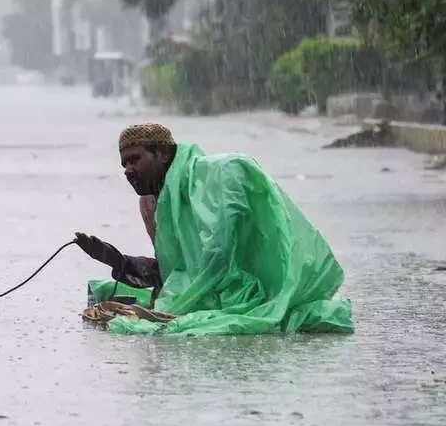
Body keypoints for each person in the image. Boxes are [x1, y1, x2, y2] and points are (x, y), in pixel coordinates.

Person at [75, 123, 354, 335]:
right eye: (124, 164)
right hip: (208, 287)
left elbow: (218, 260)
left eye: (135, 159)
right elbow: (178, 270)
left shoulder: (224, 174)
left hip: (249, 286)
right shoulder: (151, 203)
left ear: (160, 154)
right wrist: (117, 260)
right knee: (107, 296)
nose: (127, 170)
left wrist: (170, 309)